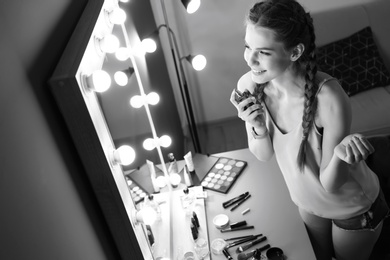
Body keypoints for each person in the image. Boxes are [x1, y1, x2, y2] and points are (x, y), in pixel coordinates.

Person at [230, 0, 390, 259]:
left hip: (354, 209)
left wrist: (340, 154)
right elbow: (263, 154)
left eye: (264, 52)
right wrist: (256, 125)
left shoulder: (329, 99)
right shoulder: (249, 83)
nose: (250, 59)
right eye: (248, 46)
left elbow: (331, 183)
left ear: (294, 52)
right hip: (307, 203)